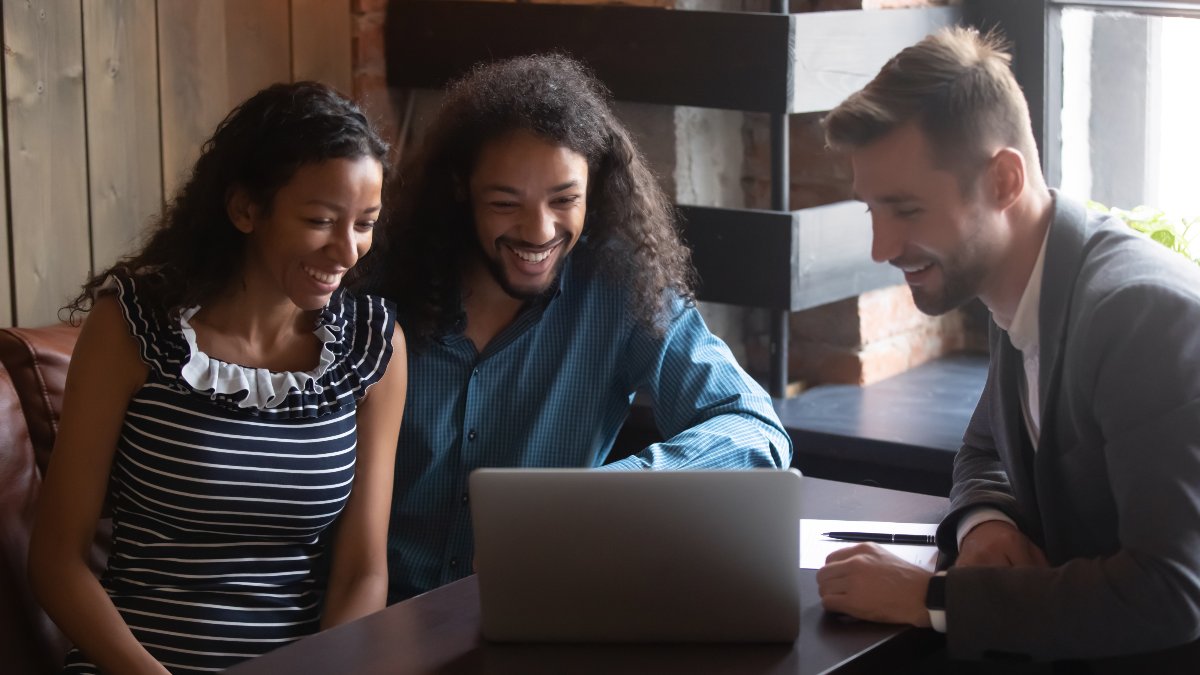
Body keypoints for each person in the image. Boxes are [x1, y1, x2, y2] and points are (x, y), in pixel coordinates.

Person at [814, 27, 1200, 669]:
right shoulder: (1020, 281)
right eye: (871, 212)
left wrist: (932, 598)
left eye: (906, 210)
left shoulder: (1141, 315)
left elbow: (1171, 592)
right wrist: (986, 522)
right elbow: (987, 447)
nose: (881, 248)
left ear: (1002, 180)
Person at [376, 54, 792, 602]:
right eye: (505, 203)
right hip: (384, 614)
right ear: (460, 189)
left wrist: (600, 496)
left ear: (593, 190)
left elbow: (753, 427)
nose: (539, 231)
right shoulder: (384, 288)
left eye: (564, 200)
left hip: (536, 613)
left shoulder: (618, 287)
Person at [28, 82, 408, 674]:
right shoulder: (133, 325)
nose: (347, 251)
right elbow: (56, 561)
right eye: (319, 220)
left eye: (366, 223)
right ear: (244, 209)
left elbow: (363, 570)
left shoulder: (370, 346)